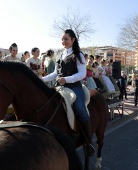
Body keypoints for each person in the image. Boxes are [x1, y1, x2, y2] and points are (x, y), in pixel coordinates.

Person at [42, 29, 95, 157]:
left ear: (73, 40)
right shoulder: (60, 55)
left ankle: (88, 141)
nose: (63, 41)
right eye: (62, 39)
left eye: (66, 39)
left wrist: (66, 79)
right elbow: (55, 74)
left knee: (80, 109)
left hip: (74, 87)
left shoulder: (79, 55)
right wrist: (41, 80)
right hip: (60, 86)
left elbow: (82, 74)